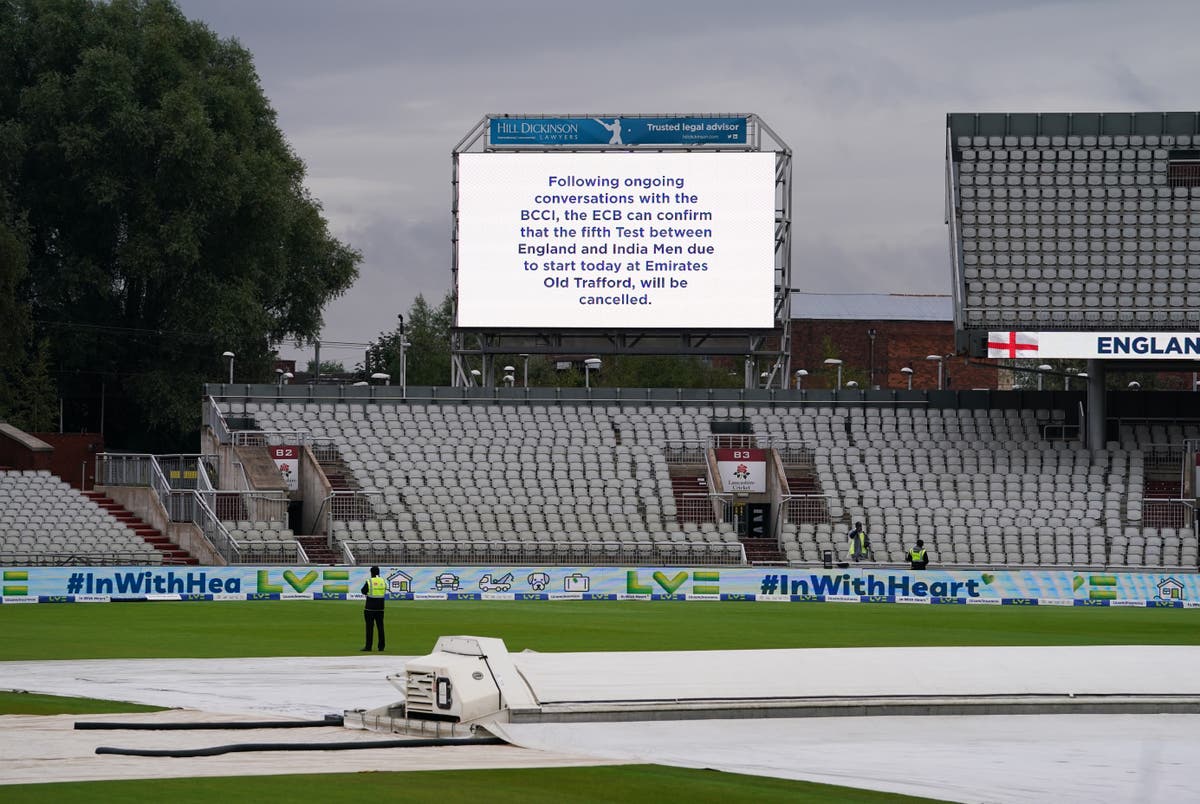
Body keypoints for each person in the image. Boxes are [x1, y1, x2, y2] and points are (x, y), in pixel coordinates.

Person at [361, 566, 386, 652]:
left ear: (371, 573)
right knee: (380, 627)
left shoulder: (370, 581)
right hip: (380, 608)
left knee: (369, 628)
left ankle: (368, 647)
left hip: (370, 608)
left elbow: (363, 591)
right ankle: (381, 646)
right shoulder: (383, 581)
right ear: (378, 572)